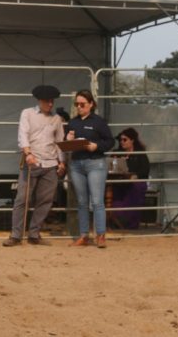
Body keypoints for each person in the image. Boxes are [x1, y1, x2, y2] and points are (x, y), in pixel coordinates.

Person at [2, 85, 66, 247]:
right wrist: (28, 153)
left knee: (45, 201)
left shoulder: (57, 119)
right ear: (39, 101)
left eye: (52, 101)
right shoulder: (27, 113)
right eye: (47, 101)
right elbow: (22, 134)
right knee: (22, 199)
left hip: (50, 164)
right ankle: (16, 235)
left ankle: (34, 233)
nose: (50, 104)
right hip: (32, 162)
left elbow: (60, 142)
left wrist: (62, 161)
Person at [65, 90, 115, 248]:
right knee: (81, 202)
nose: (79, 107)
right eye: (77, 104)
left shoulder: (99, 122)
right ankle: (84, 235)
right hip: (77, 164)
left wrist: (97, 146)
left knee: (97, 201)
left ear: (91, 104)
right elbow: (66, 144)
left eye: (82, 104)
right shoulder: (72, 122)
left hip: (95, 163)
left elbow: (110, 141)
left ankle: (100, 235)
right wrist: (68, 139)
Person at [110, 128, 150, 229]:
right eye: (120, 140)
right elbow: (110, 166)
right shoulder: (117, 153)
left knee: (137, 187)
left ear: (132, 140)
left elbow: (145, 170)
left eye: (125, 139)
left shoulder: (140, 154)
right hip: (120, 182)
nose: (121, 142)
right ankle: (117, 219)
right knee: (113, 188)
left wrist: (136, 175)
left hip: (134, 182)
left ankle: (129, 222)